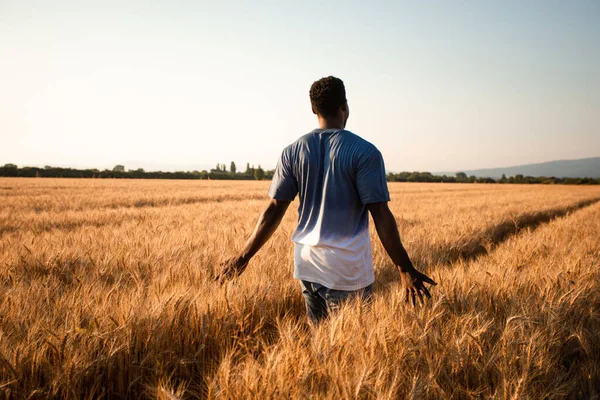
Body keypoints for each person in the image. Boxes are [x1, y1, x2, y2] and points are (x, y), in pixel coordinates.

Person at [216, 76, 437, 323]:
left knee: (321, 349)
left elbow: (273, 210)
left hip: (306, 265)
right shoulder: (364, 152)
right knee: (352, 351)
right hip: (346, 270)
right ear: (345, 105)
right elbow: (381, 215)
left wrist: (243, 257)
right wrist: (405, 268)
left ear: (313, 109)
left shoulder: (292, 151)